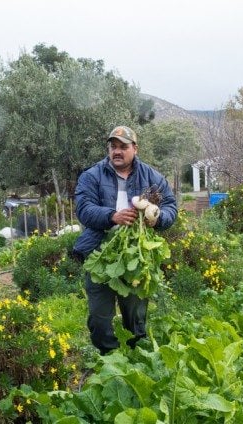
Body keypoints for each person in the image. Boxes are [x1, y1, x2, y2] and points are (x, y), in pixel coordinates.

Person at [72, 125, 177, 355]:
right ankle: (109, 359)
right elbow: (83, 209)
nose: (117, 151)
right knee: (100, 319)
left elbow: (171, 207)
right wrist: (112, 216)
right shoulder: (91, 176)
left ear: (135, 149)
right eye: (113, 146)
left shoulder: (152, 176)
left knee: (136, 317)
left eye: (123, 147)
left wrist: (157, 218)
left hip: (135, 257)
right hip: (101, 254)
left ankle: (135, 358)